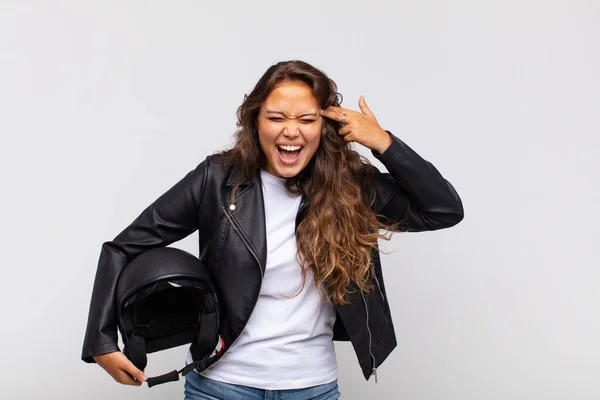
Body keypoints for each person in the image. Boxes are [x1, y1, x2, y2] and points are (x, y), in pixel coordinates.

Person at [81, 60, 464, 399]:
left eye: (306, 120)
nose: (291, 131)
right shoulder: (216, 180)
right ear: (255, 121)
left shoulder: (352, 186)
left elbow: (443, 209)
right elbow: (122, 248)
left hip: (312, 387)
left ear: (326, 125)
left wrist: (381, 142)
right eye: (277, 118)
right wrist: (101, 341)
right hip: (220, 386)